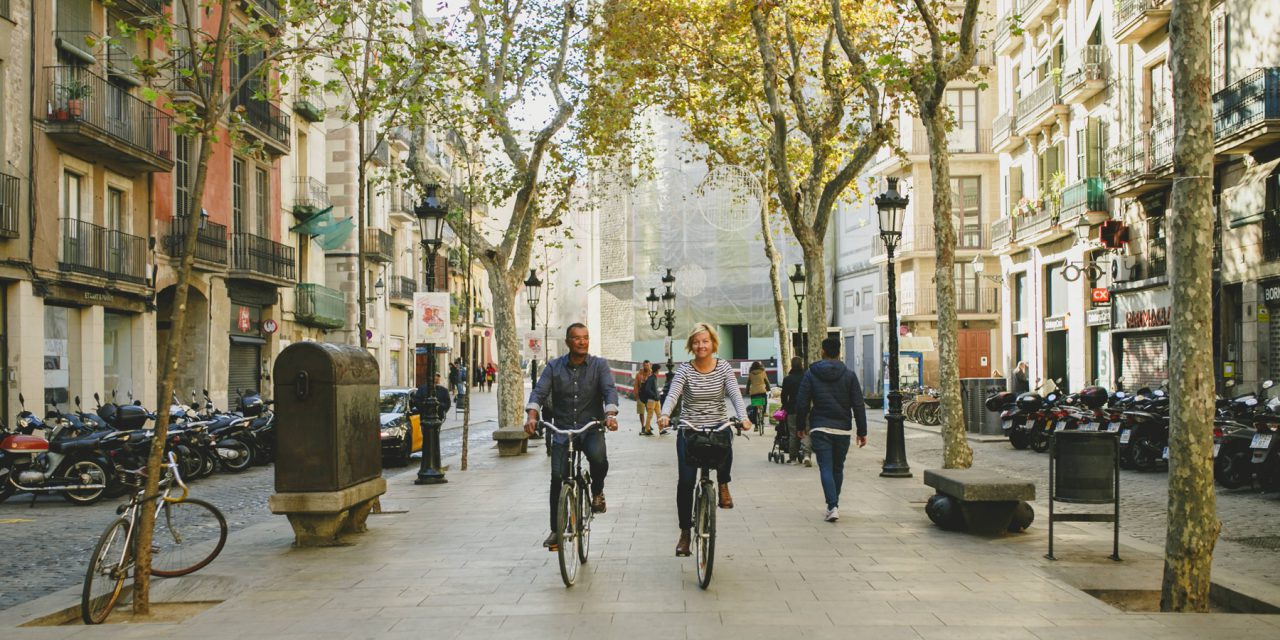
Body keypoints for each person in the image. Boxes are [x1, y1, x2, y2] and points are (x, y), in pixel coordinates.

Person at [657, 323, 751, 557]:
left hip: (718, 425)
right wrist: (665, 414)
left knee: (727, 437)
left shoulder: (724, 368)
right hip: (690, 429)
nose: (701, 345)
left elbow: (735, 394)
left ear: (713, 344)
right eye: (697, 341)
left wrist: (744, 417)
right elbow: (673, 394)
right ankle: (685, 533)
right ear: (691, 345)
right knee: (686, 482)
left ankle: (723, 483)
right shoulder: (684, 371)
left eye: (705, 341)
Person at [525, 323, 620, 551]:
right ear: (567, 342)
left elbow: (609, 390)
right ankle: (556, 530)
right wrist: (531, 415)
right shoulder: (554, 367)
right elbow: (539, 392)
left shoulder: (599, 365)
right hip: (563, 429)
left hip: (591, 427)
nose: (582, 341)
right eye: (576, 338)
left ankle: (597, 491)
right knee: (558, 477)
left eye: (585, 337)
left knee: (598, 459)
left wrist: (610, 414)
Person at [794, 337, 868, 523]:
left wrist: (801, 426)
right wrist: (862, 431)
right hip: (842, 428)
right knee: (838, 467)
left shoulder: (811, 374)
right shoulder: (849, 375)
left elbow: (802, 402)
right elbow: (858, 404)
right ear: (839, 351)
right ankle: (834, 504)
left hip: (820, 427)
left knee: (825, 467)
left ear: (823, 352)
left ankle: (832, 506)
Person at [779, 356, 807, 465]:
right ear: (802, 365)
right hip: (805, 409)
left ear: (791, 365)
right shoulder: (806, 377)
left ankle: (793, 458)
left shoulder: (787, 379)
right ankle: (806, 455)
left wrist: (785, 406)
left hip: (792, 409)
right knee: (805, 431)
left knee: (792, 433)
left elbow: (784, 395)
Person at [746, 361, 770, 426]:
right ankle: (764, 412)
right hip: (762, 390)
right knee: (764, 401)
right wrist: (768, 389)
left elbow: (748, 383)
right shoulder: (763, 372)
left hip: (754, 392)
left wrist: (747, 391)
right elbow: (767, 382)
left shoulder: (751, 373)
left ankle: (756, 426)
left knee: (754, 409)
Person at [634, 361, 652, 435]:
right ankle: (642, 426)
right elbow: (636, 385)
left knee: (649, 412)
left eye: (647, 365)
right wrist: (637, 395)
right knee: (641, 412)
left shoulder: (651, 374)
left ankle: (648, 425)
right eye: (645, 365)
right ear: (643, 365)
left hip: (649, 396)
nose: (646, 367)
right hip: (641, 396)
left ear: (650, 365)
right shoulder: (638, 375)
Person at [644, 364, 662, 435]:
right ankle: (647, 430)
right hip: (652, 400)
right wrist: (654, 395)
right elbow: (647, 389)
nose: (659, 371)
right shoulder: (651, 378)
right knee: (650, 415)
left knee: (659, 415)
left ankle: (661, 429)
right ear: (657, 370)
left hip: (656, 400)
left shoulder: (653, 377)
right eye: (659, 370)